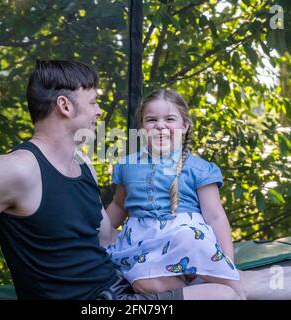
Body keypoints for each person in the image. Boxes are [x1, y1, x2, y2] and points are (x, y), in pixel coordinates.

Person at [0, 60, 291, 300]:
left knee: (233, 285)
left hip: (116, 287)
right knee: (221, 299)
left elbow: (104, 234)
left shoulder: (80, 167)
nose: (100, 111)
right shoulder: (15, 168)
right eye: (94, 102)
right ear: (65, 106)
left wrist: (168, 245)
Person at [105, 89, 245, 298]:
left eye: (170, 119)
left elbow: (216, 216)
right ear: (142, 128)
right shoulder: (127, 165)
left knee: (188, 237)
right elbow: (118, 205)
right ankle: (203, 292)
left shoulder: (198, 168)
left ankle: (235, 290)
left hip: (186, 241)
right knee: (141, 281)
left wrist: (226, 261)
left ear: (185, 126)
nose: (160, 126)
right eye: (151, 120)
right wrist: (100, 234)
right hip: (145, 244)